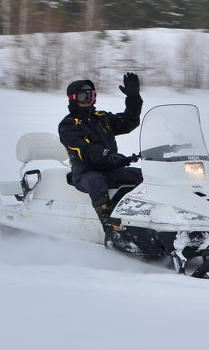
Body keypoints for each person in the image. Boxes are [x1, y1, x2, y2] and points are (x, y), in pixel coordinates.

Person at [58, 73, 144, 232]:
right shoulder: (68, 125)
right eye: (84, 96)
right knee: (96, 180)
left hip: (111, 171)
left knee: (144, 176)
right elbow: (84, 150)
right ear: (73, 98)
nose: (89, 100)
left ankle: (148, 217)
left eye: (92, 96)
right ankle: (111, 227)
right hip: (85, 174)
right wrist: (108, 156)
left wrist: (134, 98)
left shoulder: (101, 118)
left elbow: (128, 122)